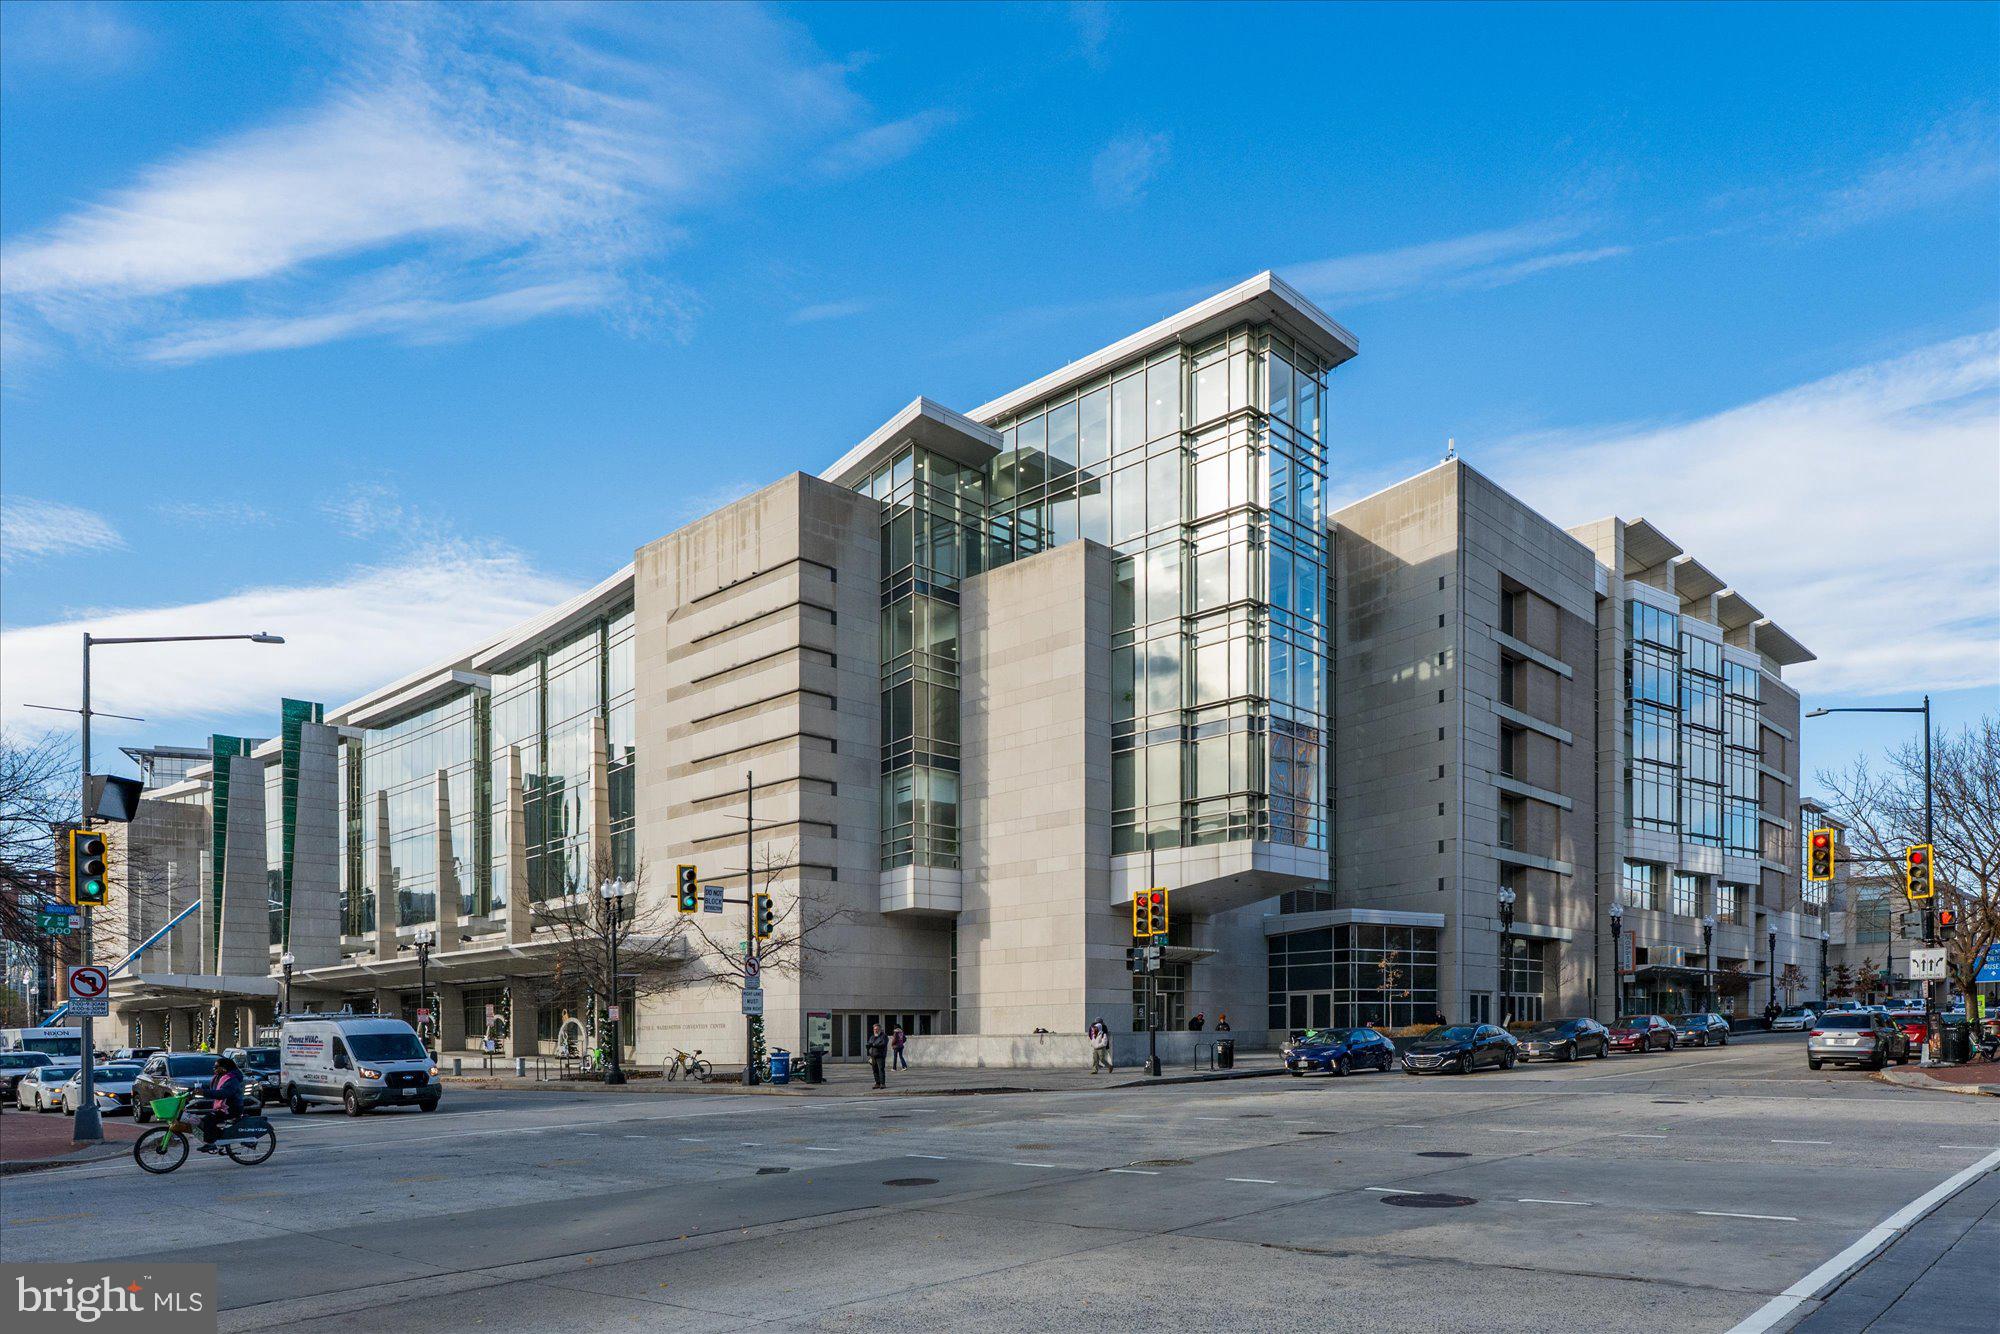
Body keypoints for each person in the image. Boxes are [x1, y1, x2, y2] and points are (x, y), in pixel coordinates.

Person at [197, 1056, 245, 1152]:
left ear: (223, 1068)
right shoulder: (219, 1077)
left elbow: (224, 1093)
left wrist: (204, 1092)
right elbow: (213, 1089)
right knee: (205, 1121)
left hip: (231, 1108)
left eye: (216, 1067)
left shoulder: (232, 1079)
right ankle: (220, 1137)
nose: (214, 1069)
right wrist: (195, 1090)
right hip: (223, 1107)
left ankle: (211, 1143)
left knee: (207, 1120)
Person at [865, 1023, 889, 1089]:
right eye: (874, 1029)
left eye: (877, 1029)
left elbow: (883, 1044)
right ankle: (877, 1083)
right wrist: (868, 1046)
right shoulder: (872, 1037)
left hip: (880, 1055)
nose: (875, 1030)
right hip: (873, 1056)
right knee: (874, 1070)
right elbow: (869, 1043)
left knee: (881, 1069)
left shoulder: (884, 1036)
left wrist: (873, 1045)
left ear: (880, 1029)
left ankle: (882, 1083)